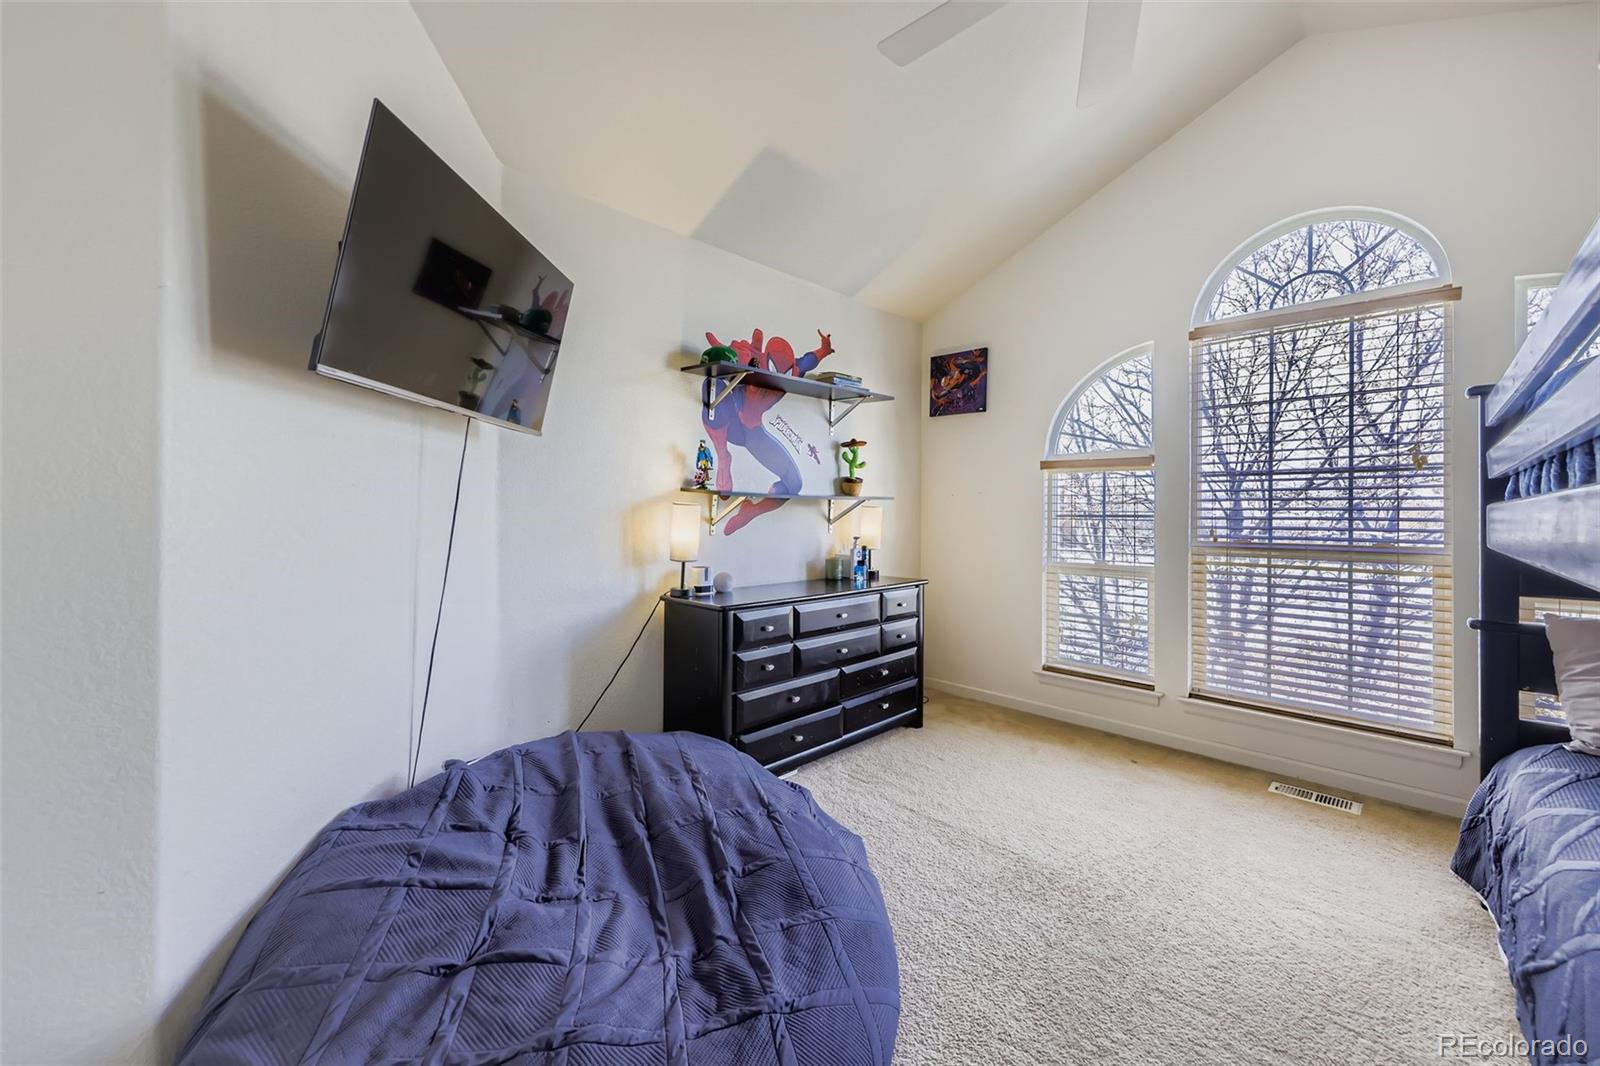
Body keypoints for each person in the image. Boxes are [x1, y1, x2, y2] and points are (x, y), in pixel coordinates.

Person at [702, 328, 833, 534]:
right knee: (712, 385)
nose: (781, 376)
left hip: (754, 433)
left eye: (787, 372)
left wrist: (824, 350)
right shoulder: (753, 359)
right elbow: (731, 359)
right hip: (732, 423)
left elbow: (809, 360)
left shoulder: (795, 370)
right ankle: (723, 457)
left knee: (794, 484)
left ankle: (752, 510)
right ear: (766, 360)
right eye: (774, 369)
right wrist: (727, 358)